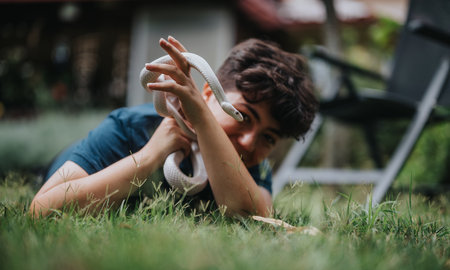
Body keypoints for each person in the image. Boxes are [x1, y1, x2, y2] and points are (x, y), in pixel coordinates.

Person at [29, 36, 317, 218]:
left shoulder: (253, 163)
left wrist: (204, 122)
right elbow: (42, 210)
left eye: (268, 137)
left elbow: (255, 217)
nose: (248, 142)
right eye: (242, 116)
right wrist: (150, 156)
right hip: (61, 165)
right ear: (206, 95)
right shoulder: (130, 127)